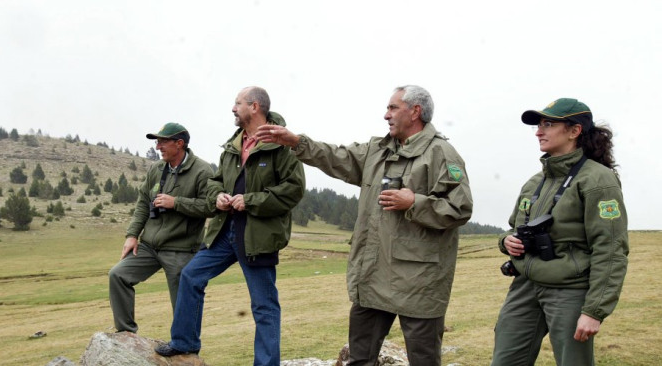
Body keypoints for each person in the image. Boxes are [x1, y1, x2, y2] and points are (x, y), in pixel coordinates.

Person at [256, 85, 473, 366]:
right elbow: (335, 156)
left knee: (424, 360)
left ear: (415, 111)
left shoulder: (441, 153)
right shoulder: (377, 150)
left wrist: (415, 203)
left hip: (419, 282)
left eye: (393, 108)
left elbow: (460, 208)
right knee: (359, 359)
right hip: (374, 275)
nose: (386, 115)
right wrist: (296, 141)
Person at [155, 86, 305, 365]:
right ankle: (184, 343)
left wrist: (250, 201)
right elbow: (214, 182)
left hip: (258, 236)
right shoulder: (233, 145)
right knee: (190, 277)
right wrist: (218, 197)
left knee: (264, 305)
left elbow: (293, 190)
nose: (233, 109)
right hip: (225, 232)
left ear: (255, 107)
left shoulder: (281, 145)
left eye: (238, 103)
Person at [491, 98, 629, 365]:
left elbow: (610, 248)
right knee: (505, 360)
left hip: (570, 290)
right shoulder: (535, 182)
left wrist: (594, 310)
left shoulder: (597, 180)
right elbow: (513, 227)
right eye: (539, 125)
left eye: (548, 124)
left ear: (574, 131)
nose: (539, 132)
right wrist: (506, 241)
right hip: (526, 285)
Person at [108, 123, 214, 333]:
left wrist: (176, 203)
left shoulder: (202, 171)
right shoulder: (157, 169)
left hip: (181, 249)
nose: (158, 147)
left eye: (163, 142)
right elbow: (142, 204)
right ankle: (126, 336)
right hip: (149, 246)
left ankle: (186, 351)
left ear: (179, 143)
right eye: (157, 142)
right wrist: (132, 235)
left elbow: (210, 207)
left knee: (183, 302)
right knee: (117, 275)